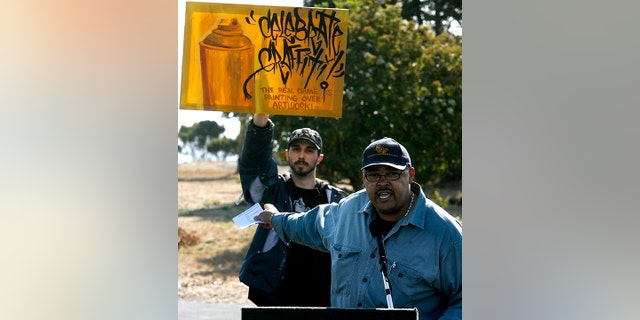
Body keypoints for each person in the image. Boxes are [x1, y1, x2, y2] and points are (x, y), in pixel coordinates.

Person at [255, 137, 462, 320]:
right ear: (363, 179)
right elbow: (306, 225)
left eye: (392, 174)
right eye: (373, 175)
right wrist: (275, 218)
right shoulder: (347, 212)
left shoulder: (446, 234)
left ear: (410, 175)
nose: (383, 183)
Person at [238, 113, 348, 307]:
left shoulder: (336, 200)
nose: (302, 155)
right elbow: (255, 164)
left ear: (319, 158)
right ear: (287, 154)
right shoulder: (273, 192)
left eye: (309, 150)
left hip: (325, 297)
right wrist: (260, 122)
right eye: (296, 149)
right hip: (276, 295)